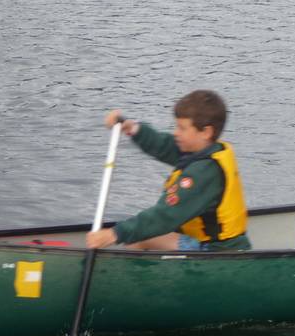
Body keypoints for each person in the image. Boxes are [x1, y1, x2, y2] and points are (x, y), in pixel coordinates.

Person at [86, 89, 250, 252]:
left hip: (215, 251)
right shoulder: (207, 150)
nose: (176, 133)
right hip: (220, 244)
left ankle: (136, 277)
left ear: (206, 132)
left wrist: (114, 234)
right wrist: (132, 128)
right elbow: (164, 145)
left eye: (182, 128)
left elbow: (164, 216)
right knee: (141, 234)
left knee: (141, 239)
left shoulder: (203, 172)